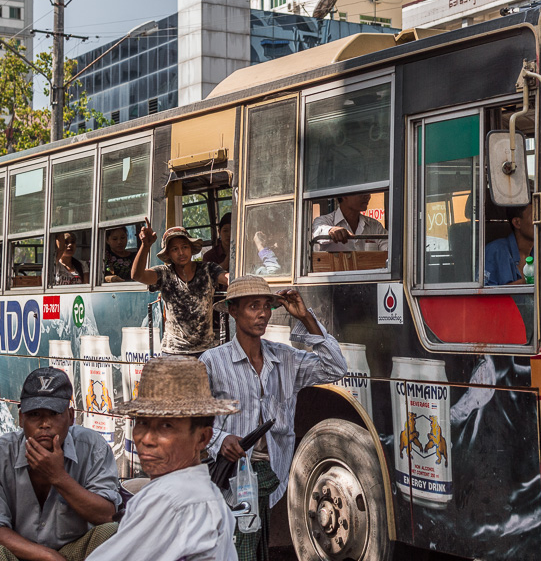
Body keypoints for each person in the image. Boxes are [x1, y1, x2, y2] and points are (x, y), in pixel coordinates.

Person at [201, 275, 347, 561]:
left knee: (257, 547)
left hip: (273, 475)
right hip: (230, 475)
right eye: (253, 306)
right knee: (235, 548)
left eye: (266, 306)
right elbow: (196, 421)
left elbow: (335, 368)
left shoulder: (285, 358)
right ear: (233, 310)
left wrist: (306, 318)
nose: (262, 314)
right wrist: (220, 440)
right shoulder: (212, 361)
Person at [88, 356, 240, 561]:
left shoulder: (171, 497)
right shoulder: (205, 493)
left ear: (202, 437)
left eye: (166, 426)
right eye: (141, 422)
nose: (146, 439)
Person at [0, 368, 120, 561]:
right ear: (21, 418)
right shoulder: (3, 452)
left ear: (71, 416)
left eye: (54, 413)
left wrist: (58, 477)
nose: (45, 424)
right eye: (35, 414)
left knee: (111, 532)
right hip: (19, 553)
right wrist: (49, 557)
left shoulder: (92, 447)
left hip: (73, 552)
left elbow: (106, 516)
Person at [131, 221, 229, 356]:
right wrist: (145, 246)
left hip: (206, 350)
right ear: (169, 254)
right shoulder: (164, 273)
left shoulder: (208, 269)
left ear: (191, 249)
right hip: (174, 351)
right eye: (175, 249)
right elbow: (137, 275)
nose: (181, 252)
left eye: (184, 247)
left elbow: (227, 278)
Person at [312, 193, 388, 251]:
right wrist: (331, 231)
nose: (368, 196)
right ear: (345, 196)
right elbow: (318, 231)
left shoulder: (375, 226)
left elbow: (388, 248)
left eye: (368, 192)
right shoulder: (325, 221)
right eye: (361, 192)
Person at [484, 202, 534, 286]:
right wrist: (526, 284)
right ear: (517, 222)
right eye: (535, 217)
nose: (540, 222)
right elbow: (485, 296)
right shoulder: (495, 252)